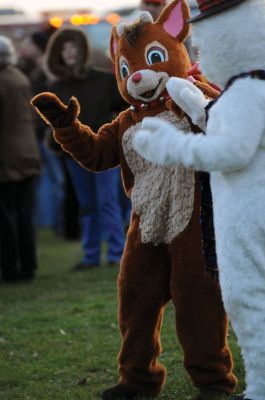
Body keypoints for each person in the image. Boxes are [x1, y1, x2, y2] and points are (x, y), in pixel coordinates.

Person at [43, 27, 125, 269]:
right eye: (65, 49)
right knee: (87, 205)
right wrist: (56, 141)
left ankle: (116, 253)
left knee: (107, 202)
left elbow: (123, 108)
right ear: (59, 54)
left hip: (104, 152)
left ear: (82, 52)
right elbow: (52, 122)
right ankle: (90, 256)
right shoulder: (56, 86)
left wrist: (116, 135)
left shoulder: (103, 80)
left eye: (73, 48)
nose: (69, 53)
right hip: (74, 155)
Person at [0, 36, 41, 282]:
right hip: (28, 150)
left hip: (7, 154)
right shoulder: (19, 76)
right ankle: (28, 266)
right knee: (24, 213)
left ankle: (10, 269)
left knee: (5, 215)